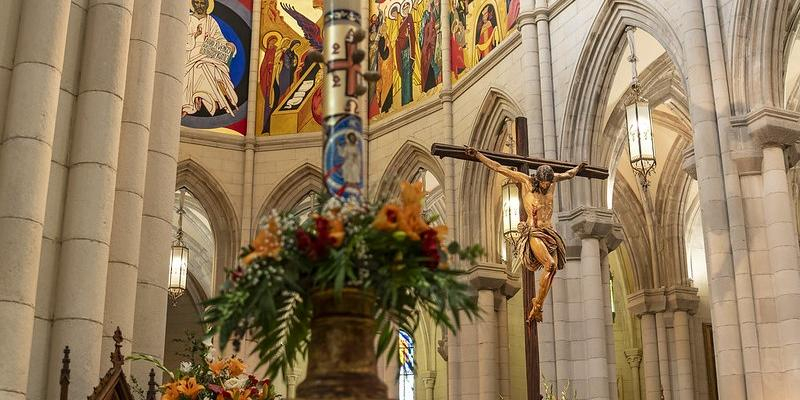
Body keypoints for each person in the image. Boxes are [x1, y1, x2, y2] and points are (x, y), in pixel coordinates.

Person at [465, 145, 586, 323]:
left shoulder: (552, 183)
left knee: (552, 270)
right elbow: (499, 167)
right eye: (544, 183)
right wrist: (478, 156)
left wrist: (578, 169)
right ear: (538, 179)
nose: (546, 186)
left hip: (549, 232)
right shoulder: (526, 182)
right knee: (550, 265)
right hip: (534, 232)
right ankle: (537, 307)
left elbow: (568, 175)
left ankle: (537, 303)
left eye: (548, 183)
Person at [183, 0, 239, 117]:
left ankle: (206, 97)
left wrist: (229, 46)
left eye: (202, 3)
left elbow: (219, 39)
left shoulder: (211, 21)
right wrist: (195, 36)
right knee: (197, 66)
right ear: (193, 4)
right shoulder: (186, 18)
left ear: (207, 5)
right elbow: (181, 39)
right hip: (189, 53)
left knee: (211, 67)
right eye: (197, 2)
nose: (199, 5)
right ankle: (189, 102)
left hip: (206, 54)